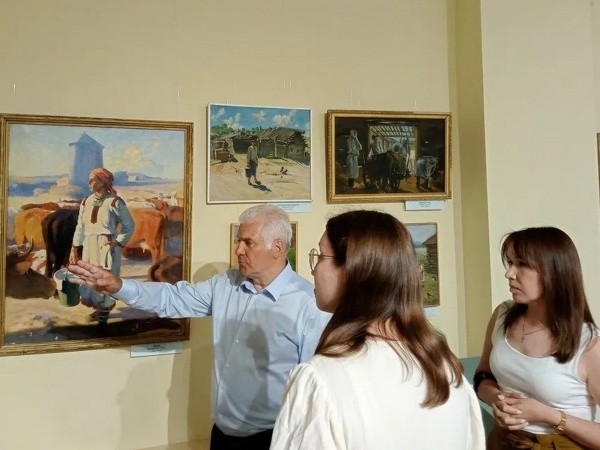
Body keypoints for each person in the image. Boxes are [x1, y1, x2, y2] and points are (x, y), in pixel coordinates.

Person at [67, 204, 331, 450]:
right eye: (238, 241)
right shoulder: (226, 284)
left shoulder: (308, 305)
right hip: (222, 434)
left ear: (277, 248)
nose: (238, 250)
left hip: (274, 439)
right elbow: (172, 298)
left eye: (248, 242)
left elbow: (315, 391)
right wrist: (119, 286)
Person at [270, 210, 485, 449]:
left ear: (354, 271)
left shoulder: (320, 379)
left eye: (321, 256)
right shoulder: (448, 372)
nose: (314, 270)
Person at [474, 226, 600, 449]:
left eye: (522, 264)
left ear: (555, 271)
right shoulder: (502, 315)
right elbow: (482, 376)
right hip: (503, 441)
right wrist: (496, 399)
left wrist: (550, 416)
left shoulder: (590, 344)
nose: (509, 273)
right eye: (510, 262)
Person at [69, 167, 135, 326]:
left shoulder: (114, 202)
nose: (89, 183)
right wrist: (75, 248)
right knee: (91, 278)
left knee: (106, 278)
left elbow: (129, 225)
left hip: (107, 246)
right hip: (89, 245)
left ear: (103, 181)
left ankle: (104, 315)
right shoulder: (86, 201)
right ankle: (99, 308)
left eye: (92, 179)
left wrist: (117, 242)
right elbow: (80, 227)